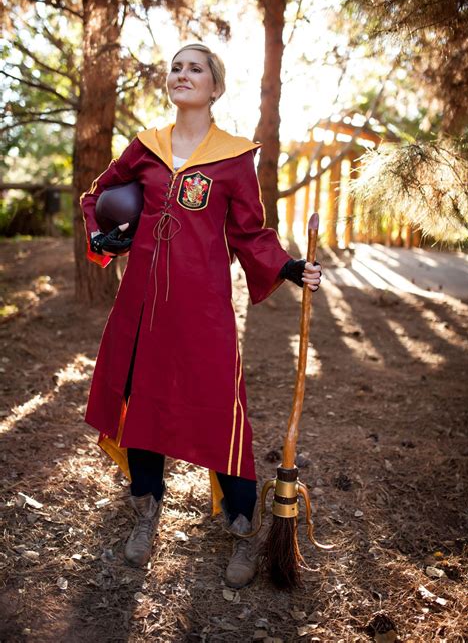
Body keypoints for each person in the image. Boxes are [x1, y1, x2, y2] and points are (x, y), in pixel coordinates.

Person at [80, 42, 322, 589]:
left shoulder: (234, 158)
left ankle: (241, 523)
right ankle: (147, 509)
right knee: (139, 399)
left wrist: (288, 268)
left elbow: (250, 233)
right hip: (142, 301)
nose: (182, 74)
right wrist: (105, 235)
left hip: (204, 307)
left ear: (215, 87)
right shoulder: (146, 146)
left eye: (196, 68)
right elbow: (99, 195)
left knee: (219, 405)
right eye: (176, 67)